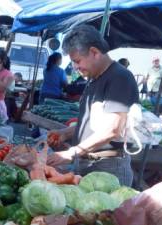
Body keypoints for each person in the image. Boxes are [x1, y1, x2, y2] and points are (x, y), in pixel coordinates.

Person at [47, 25, 139, 186]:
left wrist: (72, 152)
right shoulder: (94, 79)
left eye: (77, 61)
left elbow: (112, 129)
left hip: (108, 167)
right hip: (88, 162)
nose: (75, 67)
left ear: (95, 52)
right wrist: (65, 133)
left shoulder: (120, 78)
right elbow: (91, 123)